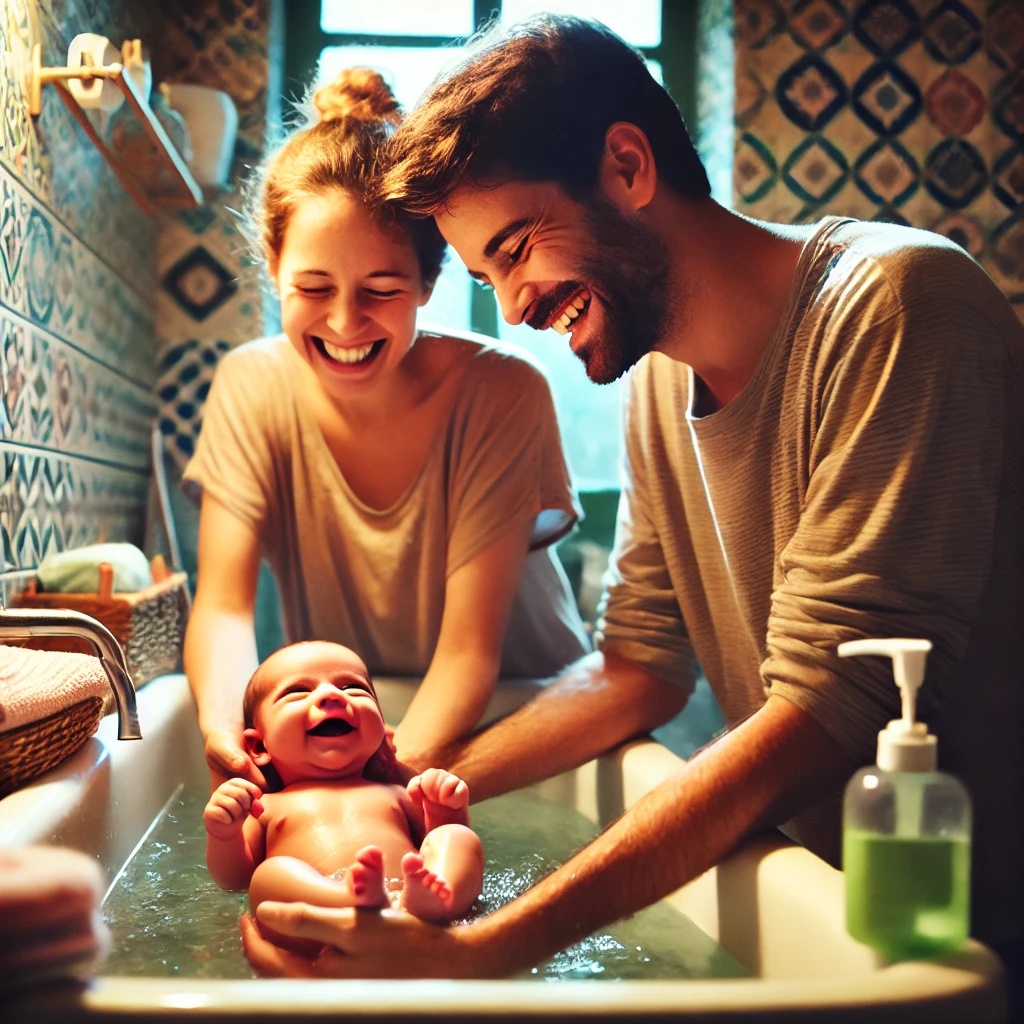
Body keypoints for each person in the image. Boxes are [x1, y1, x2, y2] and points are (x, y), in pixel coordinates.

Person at [239, 13, 1024, 1006]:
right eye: (488, 276)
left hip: (980, 922)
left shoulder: (899, 306)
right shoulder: (660, 381)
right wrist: (404, 782)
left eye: (516, 249)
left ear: (625, 165)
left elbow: (835, 704)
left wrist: (490, 948)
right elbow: (637, 667)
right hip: (842, 904)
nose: (515, 307)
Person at [182, 68, 589, 788]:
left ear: (429, 286)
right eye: (312, 289)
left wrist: (382, 772)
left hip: (530, 724)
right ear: (273, 266)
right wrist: (227, 737)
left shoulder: (503, 391)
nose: (344, 323)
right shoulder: (251, 386)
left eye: (382, 290)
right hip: (368, 725)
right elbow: (221, 606)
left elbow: (468, 655)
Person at [204, 640, 484, 950]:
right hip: (319, 921)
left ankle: (436, 901)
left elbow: (435, 836)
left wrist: (446, 809)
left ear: (382, 730)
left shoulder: (397, 792)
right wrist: (225, 833)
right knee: (268, 877)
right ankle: (347, 899)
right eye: (298, 691)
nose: (332, 695)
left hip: (409, 901)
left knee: (458, 837)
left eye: (354, 688)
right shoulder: (263, 805)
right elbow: (236, 880)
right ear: (258, 747)